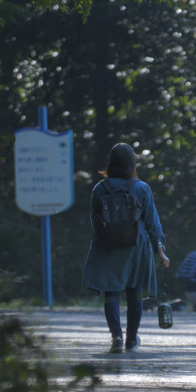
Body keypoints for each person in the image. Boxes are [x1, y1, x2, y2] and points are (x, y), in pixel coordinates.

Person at [82, 143, 170, 353]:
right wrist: (161, 249)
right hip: (136, 247)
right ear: (132, 163)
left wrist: (107, 235)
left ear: (111, 163)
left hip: (107, 247)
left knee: (111, 293)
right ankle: (131, 339)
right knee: (134, 293)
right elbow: (152, 223)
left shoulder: (99, 188)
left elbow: (94, 219)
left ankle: (117, 337)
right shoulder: (141, 188)